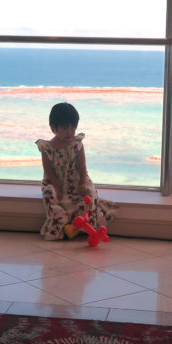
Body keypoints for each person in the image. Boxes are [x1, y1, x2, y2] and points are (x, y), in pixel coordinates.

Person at [36, 102, 117, 240]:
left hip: (76, 179)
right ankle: (60, 224)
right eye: (65, 127)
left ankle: (83, 225)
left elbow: (82, 167)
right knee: (50, 195)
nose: (70, 131)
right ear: (53, 127)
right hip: (55, 181)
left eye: (73, 127)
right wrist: (57, 186)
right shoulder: (47, 148)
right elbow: (48, 170)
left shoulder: (77, 144)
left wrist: (82, 182)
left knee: (89, 193)